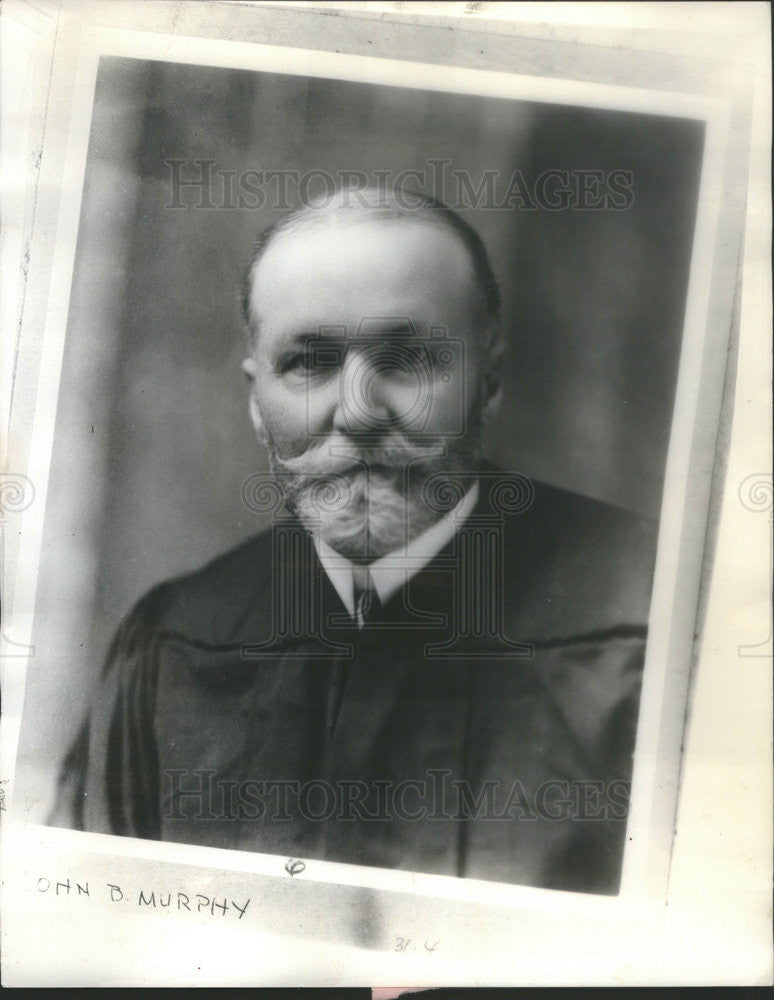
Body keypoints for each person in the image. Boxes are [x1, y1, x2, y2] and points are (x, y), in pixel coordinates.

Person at [52, 188, 656, 894]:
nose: (359, 413)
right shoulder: (172, 645)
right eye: (309, 363)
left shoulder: (647, 618)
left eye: (409, 359)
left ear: (489, 376)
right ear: (254, 401)